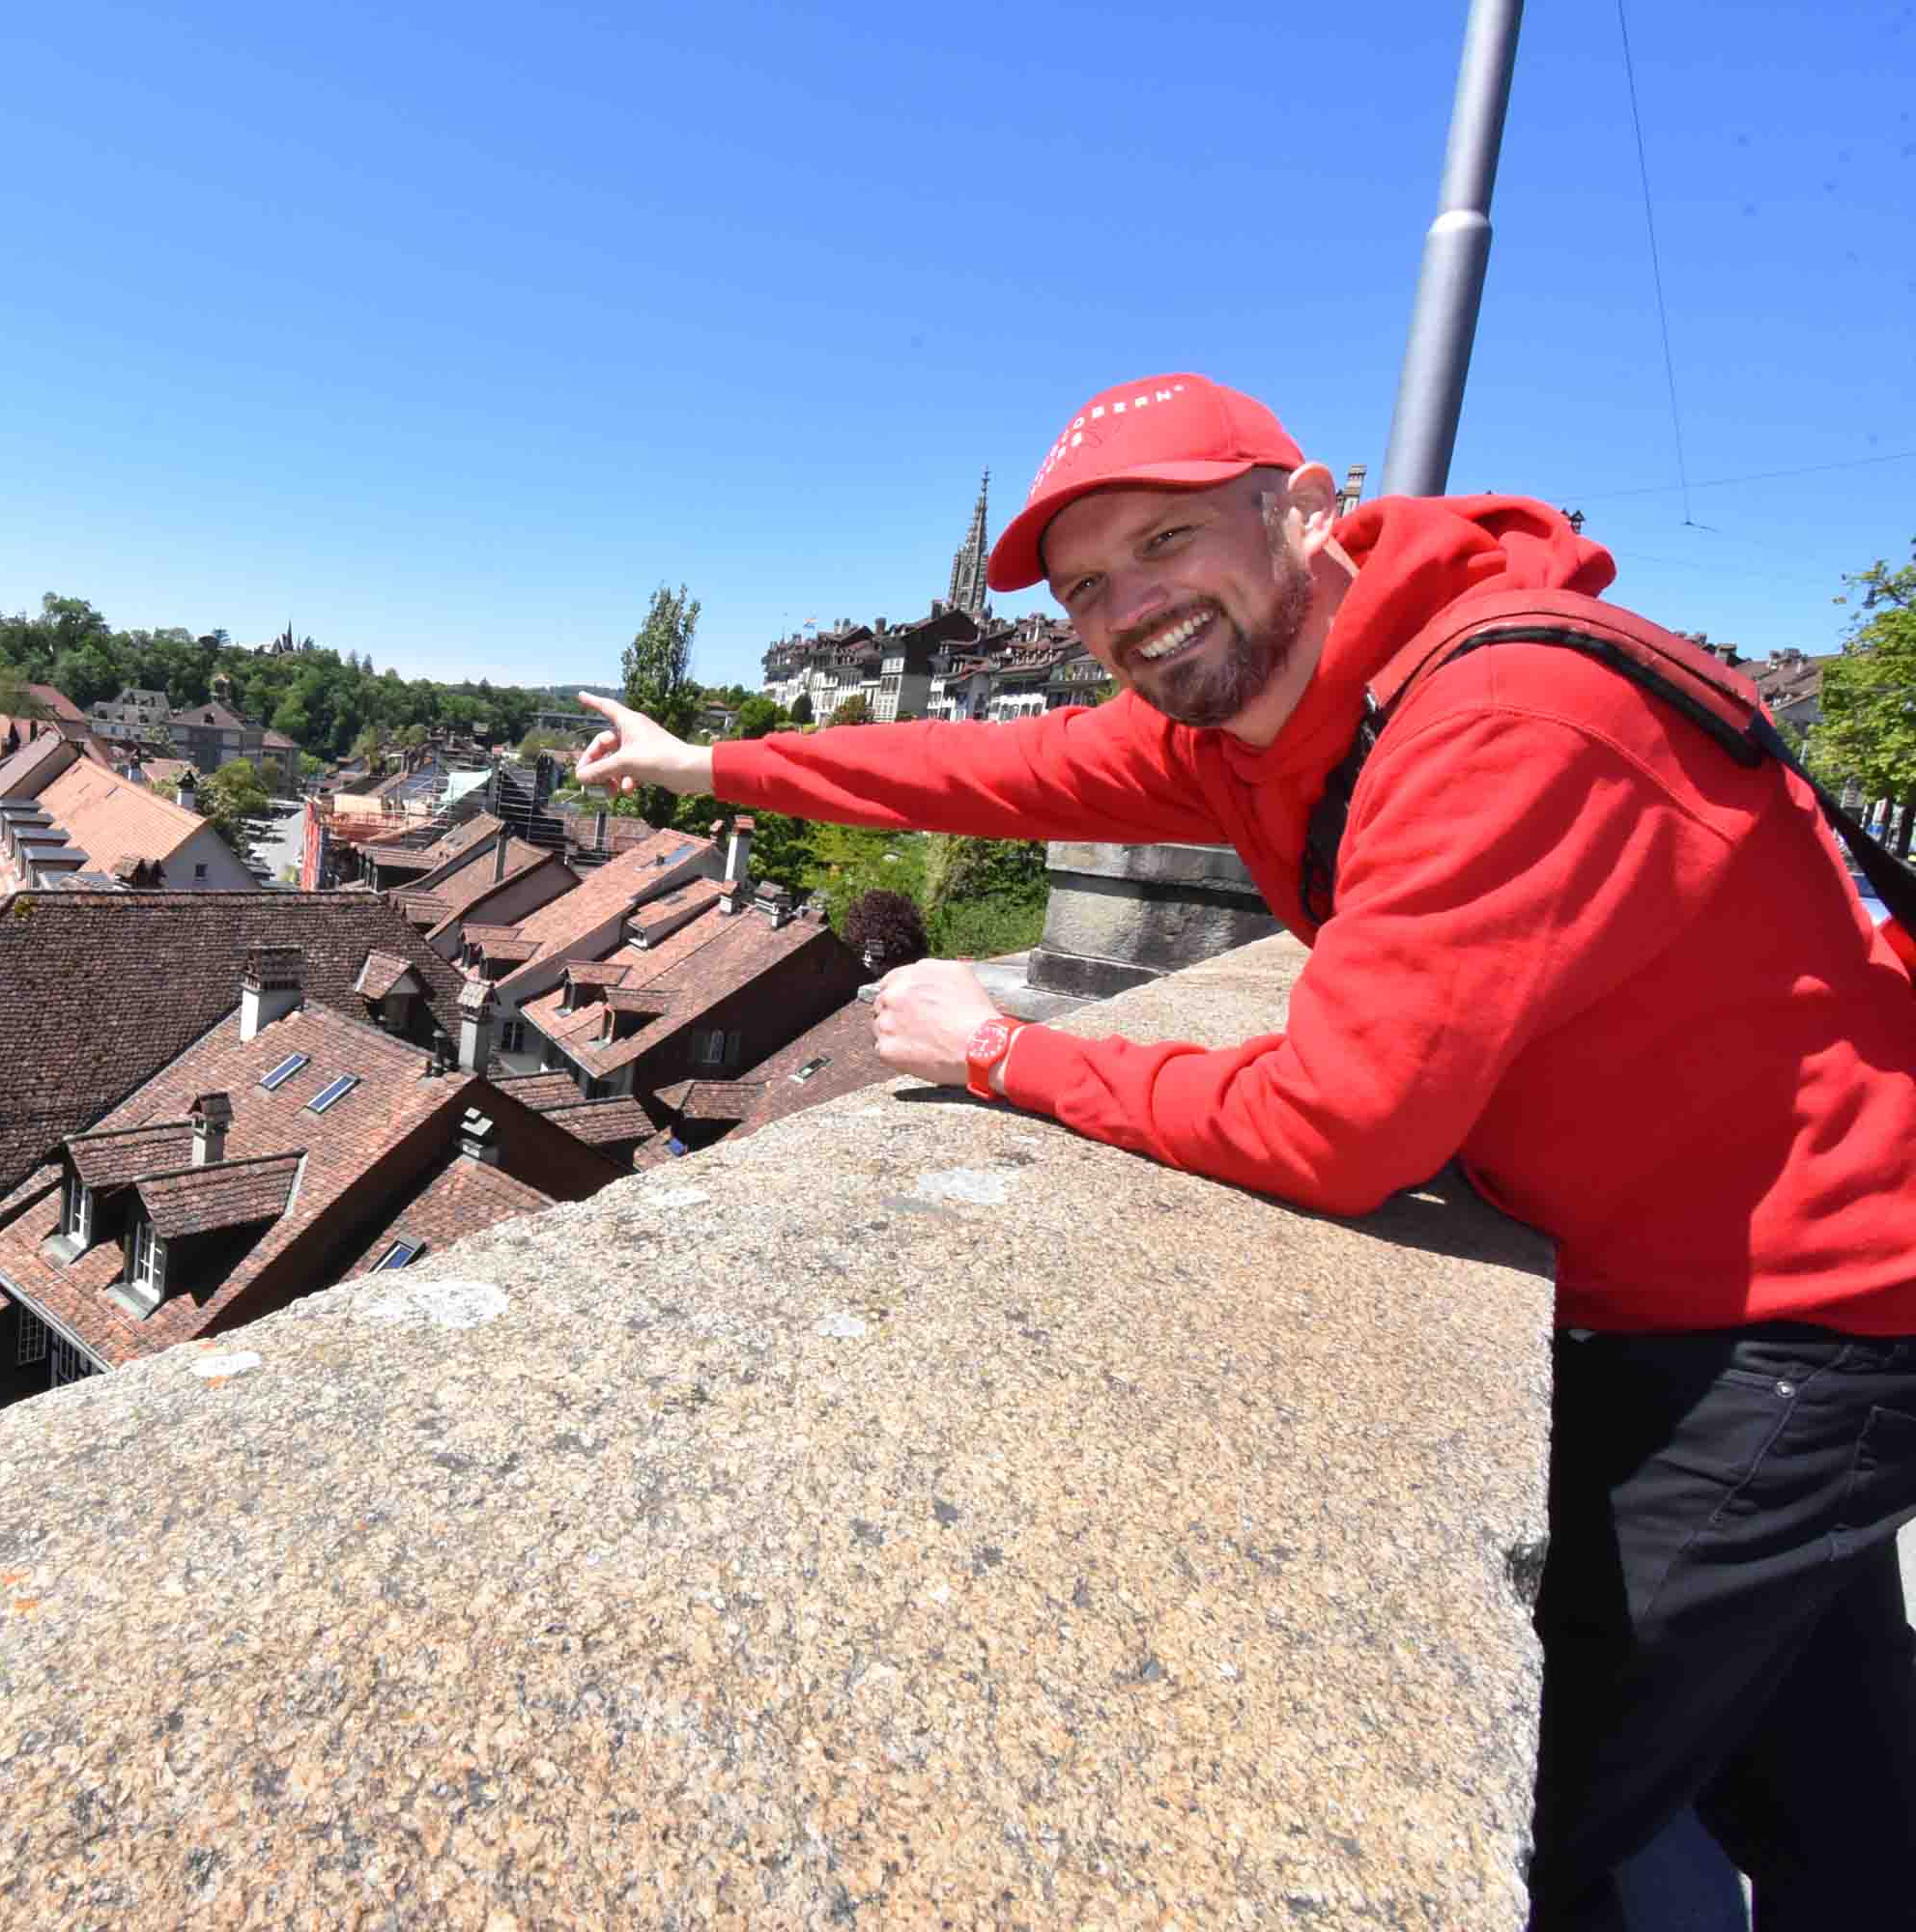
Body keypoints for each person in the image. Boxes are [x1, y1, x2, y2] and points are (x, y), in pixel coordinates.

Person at [574, 373, 1916, 1929]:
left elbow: (1339, 1128)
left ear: (1305, 504)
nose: (1132, 607)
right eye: (1090, 587)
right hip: (1692, 1255)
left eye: (1168, 538)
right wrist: (701, 766)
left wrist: (1006, 1051)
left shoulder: (1497, 717)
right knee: (1832, 1788)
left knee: (1504, 1803)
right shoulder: (1281, 713)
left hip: (1802, 1309)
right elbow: (995, 770)